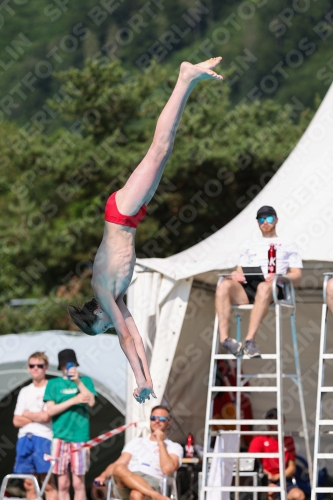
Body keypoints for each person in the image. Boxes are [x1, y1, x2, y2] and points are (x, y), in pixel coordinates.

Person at [67, 57, 224, 404]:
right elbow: (135, 338)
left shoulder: (103, 289)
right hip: (128, 219)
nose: (111, 326)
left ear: (97, 313)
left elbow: (125, 338)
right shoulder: (115, 300)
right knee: (163, 153)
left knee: (159, 149)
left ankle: (185, 78)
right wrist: (147, 380)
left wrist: (138, 377)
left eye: (103, 325)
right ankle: (187, 80)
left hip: (121, 215)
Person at [215, 206, 302, 358]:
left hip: (275, 288)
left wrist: (279, 276)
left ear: (276, 220)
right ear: (257, 222)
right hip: (250, 286)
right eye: (261, 219)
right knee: (223, 285)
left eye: (269, 218)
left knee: (264, 287)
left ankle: (250, 340)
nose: (265, 222)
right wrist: (235, 275)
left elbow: (297, 275)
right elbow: (239, 270)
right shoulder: (250, 244)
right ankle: (225, 340)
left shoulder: (288, 243)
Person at [93, 405, 183, 500]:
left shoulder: (174, 447)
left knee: (136, 495)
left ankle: (153, 494)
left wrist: (160, 442)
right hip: (126, 481)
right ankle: (155, 495)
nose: (156, 421)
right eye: (153, 418)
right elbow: (118, 464)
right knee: (119, 467)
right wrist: (102, 476)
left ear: (169, 423)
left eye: (161, 418)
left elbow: (167, 470)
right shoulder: (136, 442)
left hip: (151, 481)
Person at [44, 349, 97, 500]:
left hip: (79, 437)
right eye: (65, 364)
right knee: (63, 484)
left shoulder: (85, 381)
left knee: (78, 484)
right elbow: (50, 410)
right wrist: (74, 400)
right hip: (60, 437)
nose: (68, 367)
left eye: (71, 364)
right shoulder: (53, 384)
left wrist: (78, 381)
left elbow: (92, 402)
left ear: (76, 364)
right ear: (60, 366)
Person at [13, 351, 57, 500]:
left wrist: (27, 414)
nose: (36, 368)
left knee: (48, 483)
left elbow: (46, 416)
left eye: (39, 365)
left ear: (46, 367)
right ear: (28, 368)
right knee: (29, 483)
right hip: (24, 439)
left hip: (44, 438)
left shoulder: (51, 388)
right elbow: (16, 421)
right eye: (32, 365)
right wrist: (37, 416)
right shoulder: (24, 391)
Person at [248, 408, 305, 500]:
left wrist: (277, 476)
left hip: (284, 480)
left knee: (299, 495)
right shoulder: (259, 439)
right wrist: (266, 476)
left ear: (283, 421)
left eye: (275, 419)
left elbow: (292, 467)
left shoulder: (288, 440)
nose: (272, 423)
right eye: (269, 419)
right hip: (263, 480)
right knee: (271, 491)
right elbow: (251, 464)